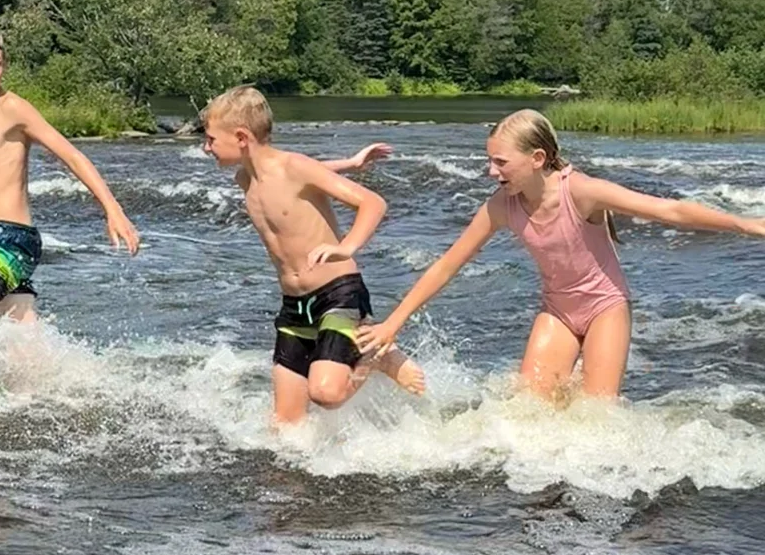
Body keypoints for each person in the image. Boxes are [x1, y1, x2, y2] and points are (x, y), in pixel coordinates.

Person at [358, 108, 765, 400]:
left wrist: (746, 224)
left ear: (537, 159)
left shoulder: (581, 190)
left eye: (500, 162)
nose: (490, 171)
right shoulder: (502, 205)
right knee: (530, 413)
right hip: (557, 312)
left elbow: (668, 210)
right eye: (489, 161)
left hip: (606, 307)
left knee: (593, 419)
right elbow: (448, 264)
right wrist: (393, 323)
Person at [0, 27, 139, 385]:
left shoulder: (14, 108)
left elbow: (73, 156)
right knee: (27, 363)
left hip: (10, 244)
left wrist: (113, 209)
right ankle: (75, 398)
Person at [201, 84, 424, 425]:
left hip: (337, 293)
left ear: (242, 137)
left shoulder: (293, 166)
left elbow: (373, 203)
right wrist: (348, 163)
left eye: (211, 139)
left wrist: (345, 246)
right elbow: (294, 174)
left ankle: (374, 358)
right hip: (294, 306)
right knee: (286, 426)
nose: (206, 147)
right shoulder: (245, 178)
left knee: (326, 394)